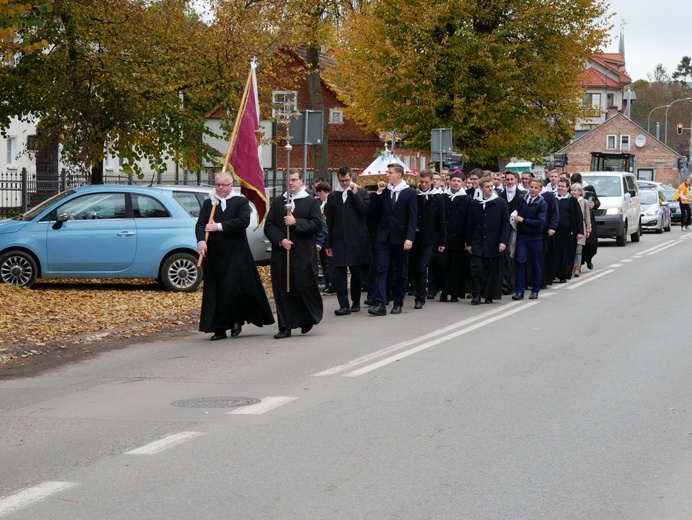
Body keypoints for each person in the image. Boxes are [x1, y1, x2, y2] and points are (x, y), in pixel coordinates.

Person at [196, 173, 274, 340]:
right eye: (217, 185)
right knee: (215, 290)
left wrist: (218, 226)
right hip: (214, 254)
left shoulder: (240, 202)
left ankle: (236, 319)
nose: (220, 188)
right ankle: (219, 328)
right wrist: (201, 241)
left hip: (235, 252)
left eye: (224, 185)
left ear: (231, 185)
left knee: (231, 287)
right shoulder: (209, 203)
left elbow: (243, 221)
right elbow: (201, 224)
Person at [264, 169, 324, 339]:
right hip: (283, 253)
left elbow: (317, 225)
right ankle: (285, 326)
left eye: (294, 180)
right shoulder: (278, 202)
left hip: (303, 253)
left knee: (302, 286)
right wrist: (281, 239)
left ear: (301, 181)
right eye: (288, 180)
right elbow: (268, 226)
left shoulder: (311, 202)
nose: (291, 183)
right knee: (283, 289)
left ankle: (307, 318)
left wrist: (296, 222)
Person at [368, 163, 417, 316]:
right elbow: (374, 211)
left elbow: (412, 217)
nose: (387, 175)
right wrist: (378, 193)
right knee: (381, 269)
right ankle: (380, 303)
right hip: (384, 237)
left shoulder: (409, 192)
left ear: (399, 175)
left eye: (390, 172)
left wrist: (410, 238)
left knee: (401, 271)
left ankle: (398, 302)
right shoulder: (385, 191)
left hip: (401, 238)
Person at [324, 166, 371, 316]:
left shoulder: (361, 192)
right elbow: (329, 221)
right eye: (341, 181)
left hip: (356, 240)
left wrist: (355, 193)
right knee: (339, 275)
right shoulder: (333, 197)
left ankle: (355, 302)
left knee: (356, 274)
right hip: (338, 240)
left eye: (347, 180)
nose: (344, 183)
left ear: (352, 178)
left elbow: (364, 210)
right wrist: (328, 243)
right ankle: (343, 305)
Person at [465, 176, 510, 304]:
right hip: (478, 241)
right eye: (487, 187)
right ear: (481, 188)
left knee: (490, 270)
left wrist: (503, 241)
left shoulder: (500, 202)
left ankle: (489, 294)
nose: (490, 189)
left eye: (492, 186)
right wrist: (468, 243)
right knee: (476, 269)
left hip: (494, 242)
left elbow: (505, 224)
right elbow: (470, 224)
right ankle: (476, 294)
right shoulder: (475, 203)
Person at [410, 170, 446, 309]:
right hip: (415, 237)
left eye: (426, 182)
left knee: (422, 266)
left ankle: (420, 297)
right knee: (414, 266)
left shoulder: (437, 197)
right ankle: (418, 289)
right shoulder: (416, 195)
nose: (423, 185)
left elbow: (441, 220)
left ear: (432, 181)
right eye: (422, 182)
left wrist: (442, 241)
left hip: (430, 237)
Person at [511, 177, 547, 300]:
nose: (532, 189)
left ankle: (535, 290)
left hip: (535, 238)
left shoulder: (542, 203)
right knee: (520, 262)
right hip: (522, 236)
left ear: (540, 189)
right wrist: (514, 215)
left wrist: (524, 220)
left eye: (536, 188)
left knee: (536, 264)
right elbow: (517, 210)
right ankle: (520, 290)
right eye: (531, 187)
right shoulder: (522, 199)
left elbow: (540, 222)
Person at [441, 171, 472, 302]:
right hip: (445, 237)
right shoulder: (443, 197)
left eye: (459, 181)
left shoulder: (467, 200)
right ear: (449, 182)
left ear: (463, 183)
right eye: (454, 180)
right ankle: (444, 291)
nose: (455, 183)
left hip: (459, 238)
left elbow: (469, 222)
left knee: (457, 267)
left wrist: (468, 240)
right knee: (444, 266)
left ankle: (454, 293)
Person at [553, 179, 584, 282]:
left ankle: (563, 275)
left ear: (567, 188)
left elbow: (578, 216)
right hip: (554, 232)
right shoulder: (553, 199)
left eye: (563, 186)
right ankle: (554, 273)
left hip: (568, 232)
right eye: (559, 186)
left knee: (566, 253)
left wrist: (580, 232)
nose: (560, 188)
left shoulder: (572, 200)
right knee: (555, 253)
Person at [500, 171, 525, 295]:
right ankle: (506, 284)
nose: (509, 182)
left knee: (516, 256)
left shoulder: (522, 195)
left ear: (516, 180)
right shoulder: (500, 195)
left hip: (518, 228)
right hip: (505, 228)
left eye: (511, 179)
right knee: (506, 256)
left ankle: (515, 283)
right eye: (507, 179)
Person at [572, 173, 599, 269]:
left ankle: (589, 259)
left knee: (590, 243)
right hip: (575, 221)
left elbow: (597, 202)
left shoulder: (589, 188)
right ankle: (577, 264)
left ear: (580, 182)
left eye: (577, 182)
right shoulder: (571, 194)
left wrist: (594, 204)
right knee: (578, 245)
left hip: (587, 218)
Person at [314, 181, 335, 294]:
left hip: (328, 236)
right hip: (323, 236)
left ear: (322, 192)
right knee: (325, 262)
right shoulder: (321, 203)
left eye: (318, 194)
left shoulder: (330, 202)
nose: (318, 197)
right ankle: (328, 284)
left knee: (329, 263)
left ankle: (332, 284)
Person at [570, 183, 591, 278]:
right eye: (572, 190)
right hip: (571, 226)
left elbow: (587, 216)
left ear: (580, 192)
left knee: (579, 249)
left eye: (575, 190)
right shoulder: (569, 201)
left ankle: (577, 267)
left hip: (581, 226)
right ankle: (570, 267)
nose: (573, 192)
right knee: (571, 248)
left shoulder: (584, 202)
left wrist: (588, 229)